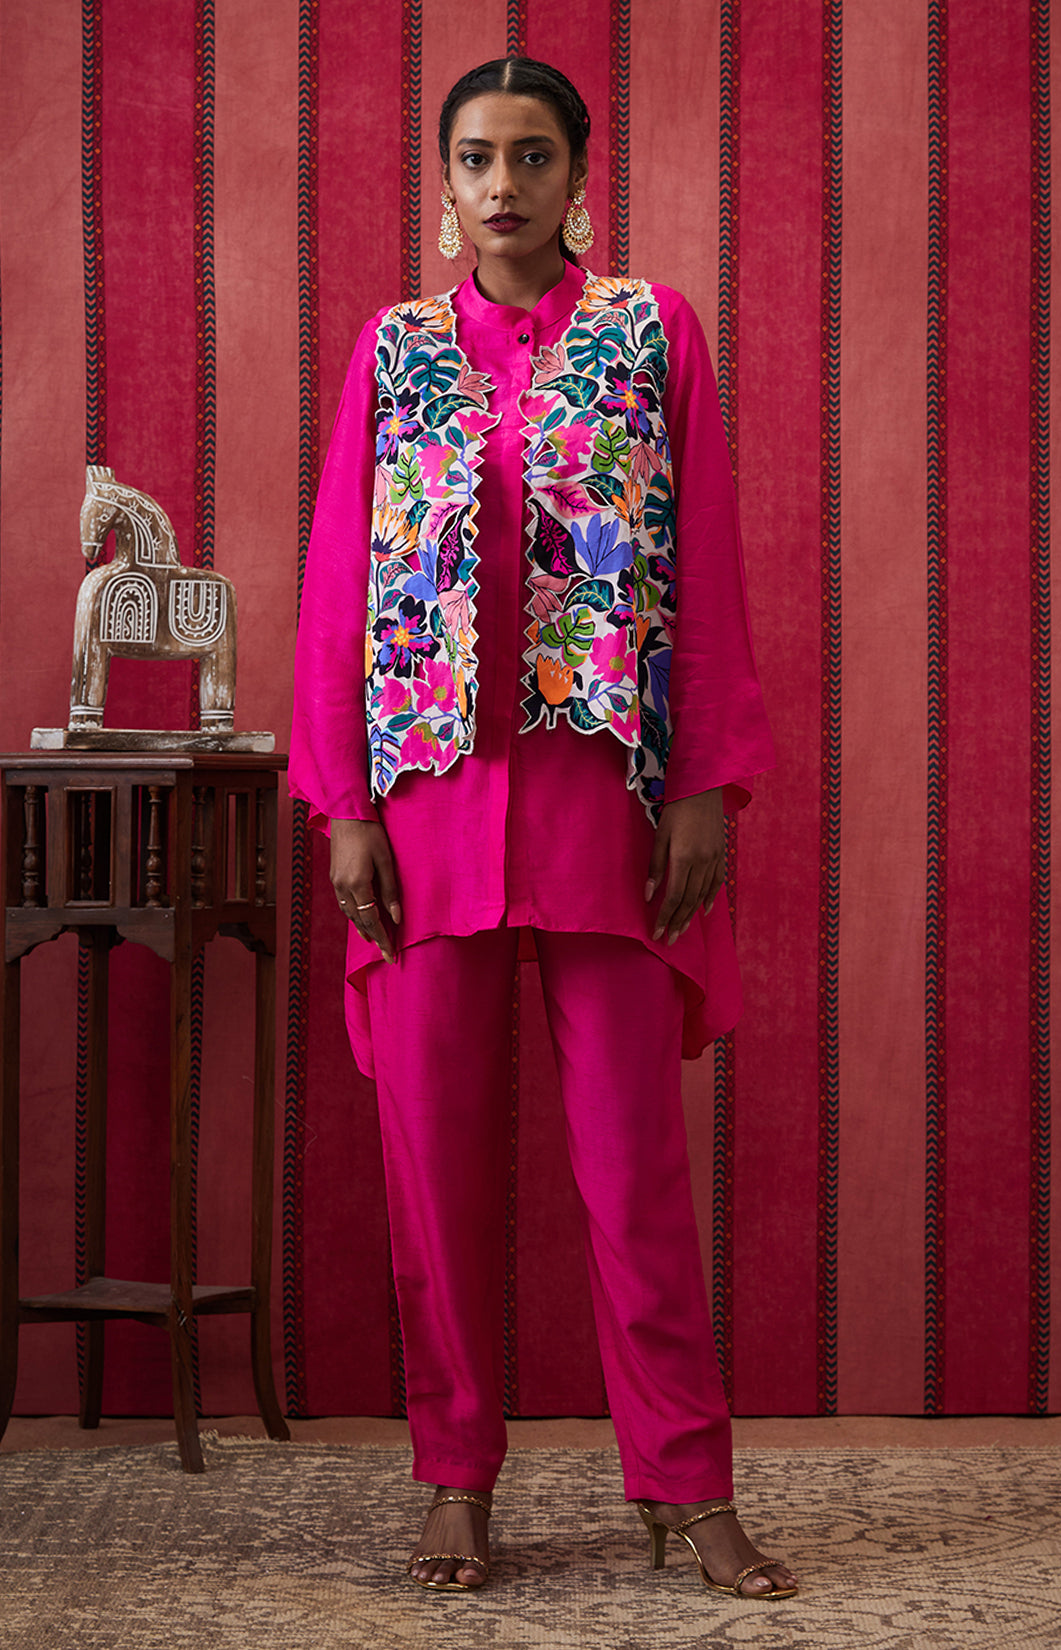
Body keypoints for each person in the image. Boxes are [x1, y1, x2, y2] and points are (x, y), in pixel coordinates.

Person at [289, 56, 796, 1601]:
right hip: (428, 802)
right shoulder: (394, 350)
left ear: (579, 176)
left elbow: (705, 555)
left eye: (530, 156)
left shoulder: (652, 334)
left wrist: (700, 783)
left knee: (633, 1166)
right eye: (474, 158)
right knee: (433, 1164)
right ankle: (455, 1474)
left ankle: (687, 1481)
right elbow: (337, 579)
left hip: (604, 798)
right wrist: (344, 806)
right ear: (445, 185)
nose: (501, 184)